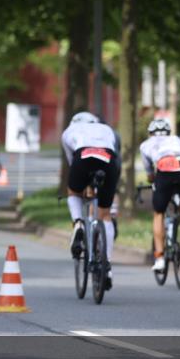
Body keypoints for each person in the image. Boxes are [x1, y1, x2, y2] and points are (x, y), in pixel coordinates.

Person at [62, 111, 119, 289]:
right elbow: (113, 149)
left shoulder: (68, 132)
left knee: (73, 191)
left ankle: (78, 223)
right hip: (108, 160)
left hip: (83, 156)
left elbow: (72, 162)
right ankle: (107, 265)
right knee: (105, 214)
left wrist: (84, 183)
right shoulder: (107, 129)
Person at [139, 117, 180, 272]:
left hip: (165, 168)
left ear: (151, 133)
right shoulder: (176, 139)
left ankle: (160, 258)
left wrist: (153, 179)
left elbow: (150, 173)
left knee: (158, 213)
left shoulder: (146, 145)